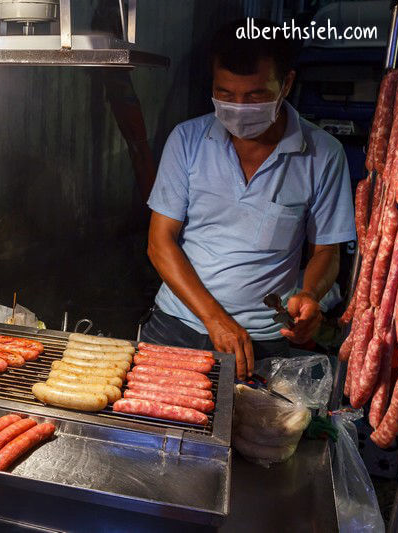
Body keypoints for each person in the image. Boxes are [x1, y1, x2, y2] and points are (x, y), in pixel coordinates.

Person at [141, 19, 356, 379]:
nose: (238, 106)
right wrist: (215, 318)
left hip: (265, 341)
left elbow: (325, 252)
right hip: (176, 325)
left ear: (286, 83)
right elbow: (159, 242)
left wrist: (310, 294)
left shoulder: (323, 154)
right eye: (225, 93)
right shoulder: (187, 140)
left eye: (254, 95)